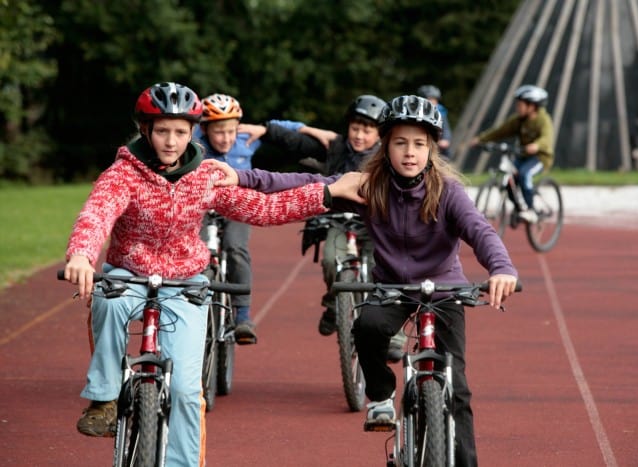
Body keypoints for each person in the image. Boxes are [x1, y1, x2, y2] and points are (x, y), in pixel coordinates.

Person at [62, 82, 364, 467]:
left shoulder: (204, 175)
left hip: (185, 284)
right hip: (130, 274)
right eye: (162, 131)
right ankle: (104, 398)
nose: (171, 141)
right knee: (107, 298)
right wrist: (82, 256)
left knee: (188, 393)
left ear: (193, 133)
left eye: (180, 132)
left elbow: (263, 208)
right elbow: (97, 213)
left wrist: (326, 194)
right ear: (146, 131)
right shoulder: (123, 173)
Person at [228, 94, 519, 466]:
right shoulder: (369, 186)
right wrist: (241, 176)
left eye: (419, 144)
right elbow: (301, 181)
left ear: (431, 148)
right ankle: (381, 396)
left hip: (445, 289)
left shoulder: (448, 192)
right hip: (393, 287)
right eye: (400, 143)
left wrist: (502, 268)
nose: (410, 152)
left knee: (457, 389)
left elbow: (480, 231)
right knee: (366, 325)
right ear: (386, 145)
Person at [237, 95, 386, 337]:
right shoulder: (335, 146)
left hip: (374, 224)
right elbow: (294, 141)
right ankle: (333, 304)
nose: (359, 135)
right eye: (355, 128)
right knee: (330, 260)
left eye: (367, 131)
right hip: (340, 219)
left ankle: (393, 335)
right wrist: (264, 130)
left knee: (385, 265)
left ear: (379, 134)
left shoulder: (387, 155)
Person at [194, 93, 337, 344]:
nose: (226, 138)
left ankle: (242, 315)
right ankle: (195, 308)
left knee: (236, 248)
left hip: (238, 206)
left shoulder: (245, 139)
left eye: (231, 131)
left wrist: (313, 131)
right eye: (219, 132)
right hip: (203, 207)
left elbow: (285, 128)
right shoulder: (195, 141)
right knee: (199, 252)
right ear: (205, 129)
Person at [469, 84, 554, 224]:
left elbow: (547, 138)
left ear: (532, 106)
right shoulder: (518, 120)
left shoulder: (543, 120)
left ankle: (531, 210)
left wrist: (537, 145)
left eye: (521, 105)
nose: (517, 107)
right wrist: (481, 139)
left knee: (525, 174)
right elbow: (500, 131)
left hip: (540, 157)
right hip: (522, 155)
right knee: (509, 179)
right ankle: (520, 208)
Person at [417, 84, 452, 157]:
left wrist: (446, 139)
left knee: (446, 155)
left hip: (437, 145)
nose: (433, 102)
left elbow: (446, 128)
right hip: (423, 143)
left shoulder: (440, 111)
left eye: (435, 100)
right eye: (430, 99)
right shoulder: (417, 113)